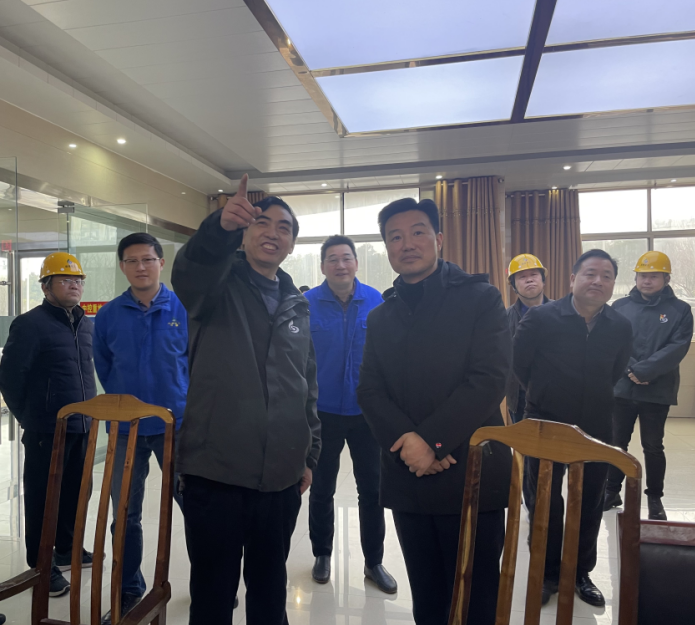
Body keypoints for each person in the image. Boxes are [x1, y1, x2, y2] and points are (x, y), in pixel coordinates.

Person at [172, 175, 321, 625]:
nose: (273, 233)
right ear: (244, 232)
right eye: (262, 222)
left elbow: (305, 383)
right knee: (213, 594)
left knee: (270, 590)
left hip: (280, 476)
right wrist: (217, 228)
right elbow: (192, 267)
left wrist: (309, 454)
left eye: (284, 228)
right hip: (215, 471)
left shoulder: (297, 304)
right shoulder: (215, 286)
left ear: (292, 245)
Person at [357, 198, 512, 625]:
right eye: (395, 237)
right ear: (387, 247)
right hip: (409, 476)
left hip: (471, 471)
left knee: (476, 598)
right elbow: (369, 390)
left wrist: (431, 442)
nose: (407, 243)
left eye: (418, 232)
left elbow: (489, 379)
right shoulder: (381, 316)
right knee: (427, 599)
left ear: (439, 239)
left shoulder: (480, 298)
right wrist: (411, 446)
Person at [513, 249, 633, 607]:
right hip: (546, 423)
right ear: (572, 279)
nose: (598, 281)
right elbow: (520, 366)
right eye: (590, 273)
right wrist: (545, 395)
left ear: (613, 284)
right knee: (545, 501)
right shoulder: (541, 318)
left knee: (590, 501)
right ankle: (547, 573)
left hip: (596, 425)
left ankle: (580, 572)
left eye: (607, 276)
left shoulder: (620, 326)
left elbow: (615, 372)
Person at [93, 233, 189, 624]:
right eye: (132, 261)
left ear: (161, 263)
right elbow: (104, 365)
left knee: (195, 506)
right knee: (125, 513)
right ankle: (129, 588)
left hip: (176, 426)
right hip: (125, 428)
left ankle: (210, 581)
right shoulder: (109, 315)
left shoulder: (183, 309)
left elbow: (197, 363)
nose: (141, 267)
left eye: (148, 259)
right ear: (122, 267)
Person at [0, 253, 97, 597]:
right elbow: (10, 378)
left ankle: (66, 549)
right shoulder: (29, 325)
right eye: (65, 280)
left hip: (82, 426)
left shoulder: (85, 324)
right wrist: (31, 419)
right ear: (46, 287)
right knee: (43, 499)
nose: (75, 285)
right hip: (46, 431)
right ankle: (41, 565)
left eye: (78, 280)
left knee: (76, 492)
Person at [305, 235, 397, 593]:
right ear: (323, 266)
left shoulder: (377, 302)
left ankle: (374, 561)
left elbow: (389, 359)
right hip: (322, 413)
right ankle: (322, 553)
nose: (340, 265)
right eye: (332, 259)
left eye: (346, 258)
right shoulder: (306, 304)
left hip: (366, 414)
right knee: (322, 487)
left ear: (356, 263)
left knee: (372, 490)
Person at [605, 251, 693, 520]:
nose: (647, 281)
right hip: (622, 387)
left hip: (657, 388)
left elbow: (678, 346)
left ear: (666, 279)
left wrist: (646, 370)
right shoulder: (619, 307)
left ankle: (655, 497)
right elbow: (612, 341)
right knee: (617, 442)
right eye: (642, 276)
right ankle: (611, 491)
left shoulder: (680, 310)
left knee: (653, 445)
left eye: (653, 276)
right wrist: (631, 369)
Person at [505, 254, 552, 511]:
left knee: (553, 449)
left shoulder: (563, 312)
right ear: (514, 285)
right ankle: (532, 503)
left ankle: (549, 499)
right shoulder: (504, 318)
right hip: (519, 396)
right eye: (522, 277)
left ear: (543, 279)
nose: (529, 280)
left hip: (556, 395)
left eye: (534, 275)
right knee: (524, 449)